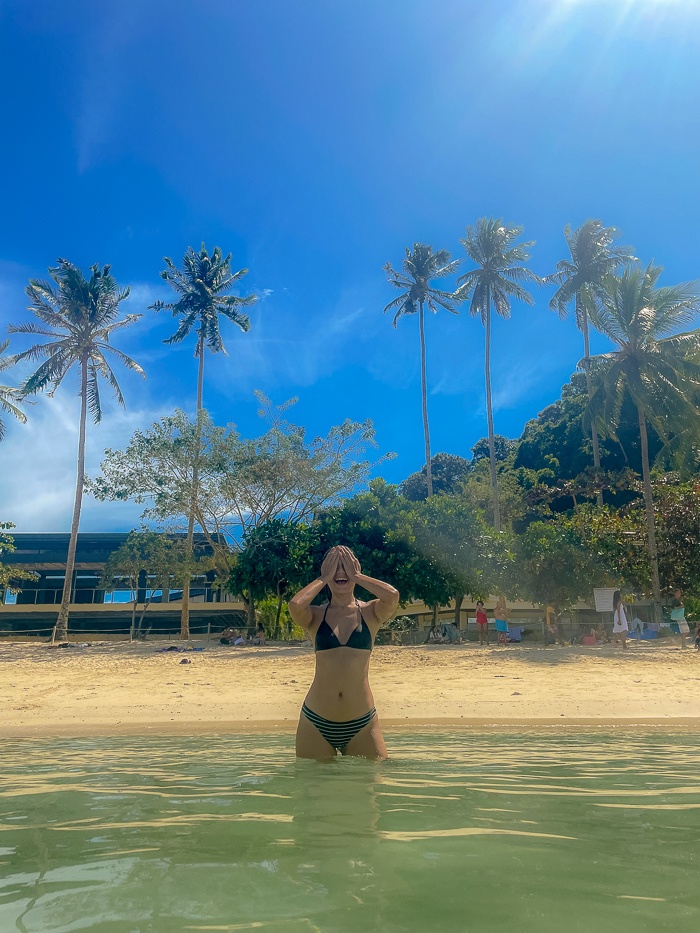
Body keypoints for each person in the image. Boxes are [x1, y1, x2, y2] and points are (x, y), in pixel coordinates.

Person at [288, 544, 399, 760]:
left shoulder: (370, 612)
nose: (340, 572)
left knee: (374, 778)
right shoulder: (315, 615)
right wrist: (324, 578)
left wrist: (357, 576)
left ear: (356, 568)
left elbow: (392, 596)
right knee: (310, 782)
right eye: (334, 566)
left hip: (362, 723)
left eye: (346, 565)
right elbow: (295, 605)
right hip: (315, 722)